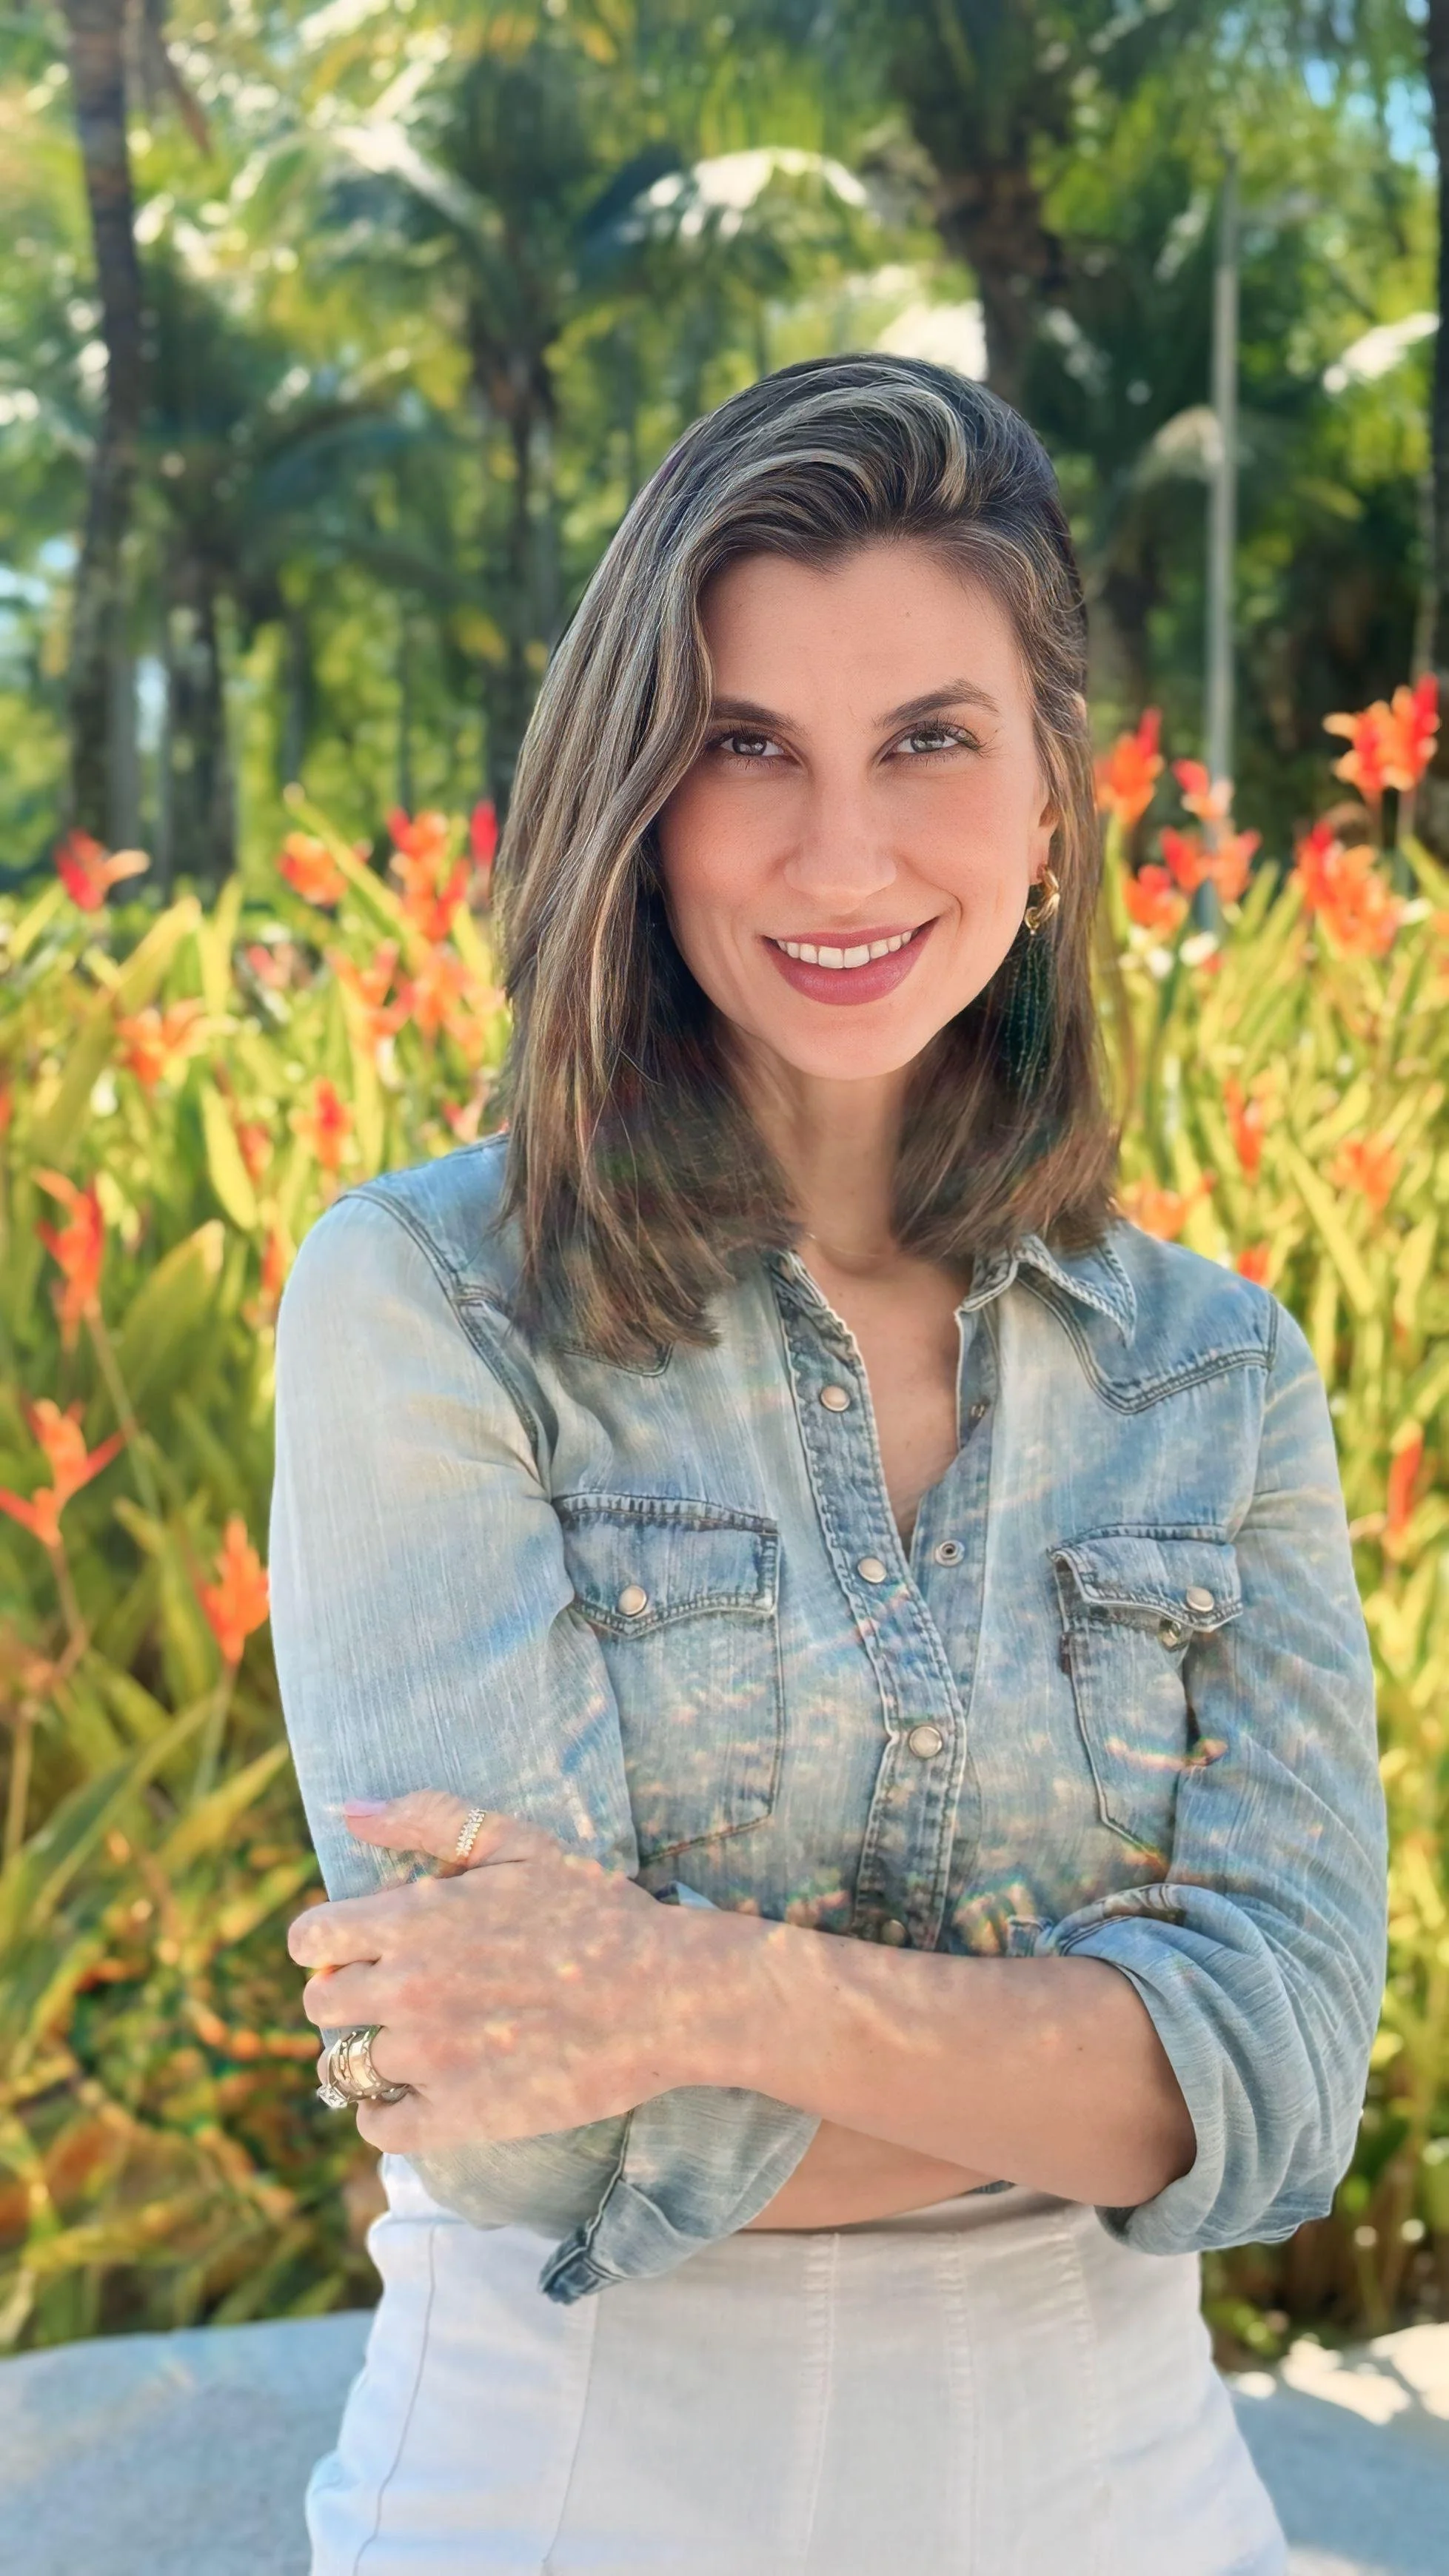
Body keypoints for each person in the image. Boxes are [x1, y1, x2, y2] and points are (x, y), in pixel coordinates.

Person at [270, 354, 1387, 2575]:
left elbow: (1281, 2090)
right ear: (638, 800)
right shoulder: (429, 1303)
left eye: (930, 742)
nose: (841, 853)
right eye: (746, 744)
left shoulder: (1215, 1376)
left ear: (1052, 807)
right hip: (553, 2506)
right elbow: (513, 2135)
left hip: (1132, 2514)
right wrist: (1096, 2079)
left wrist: (684, 1993)